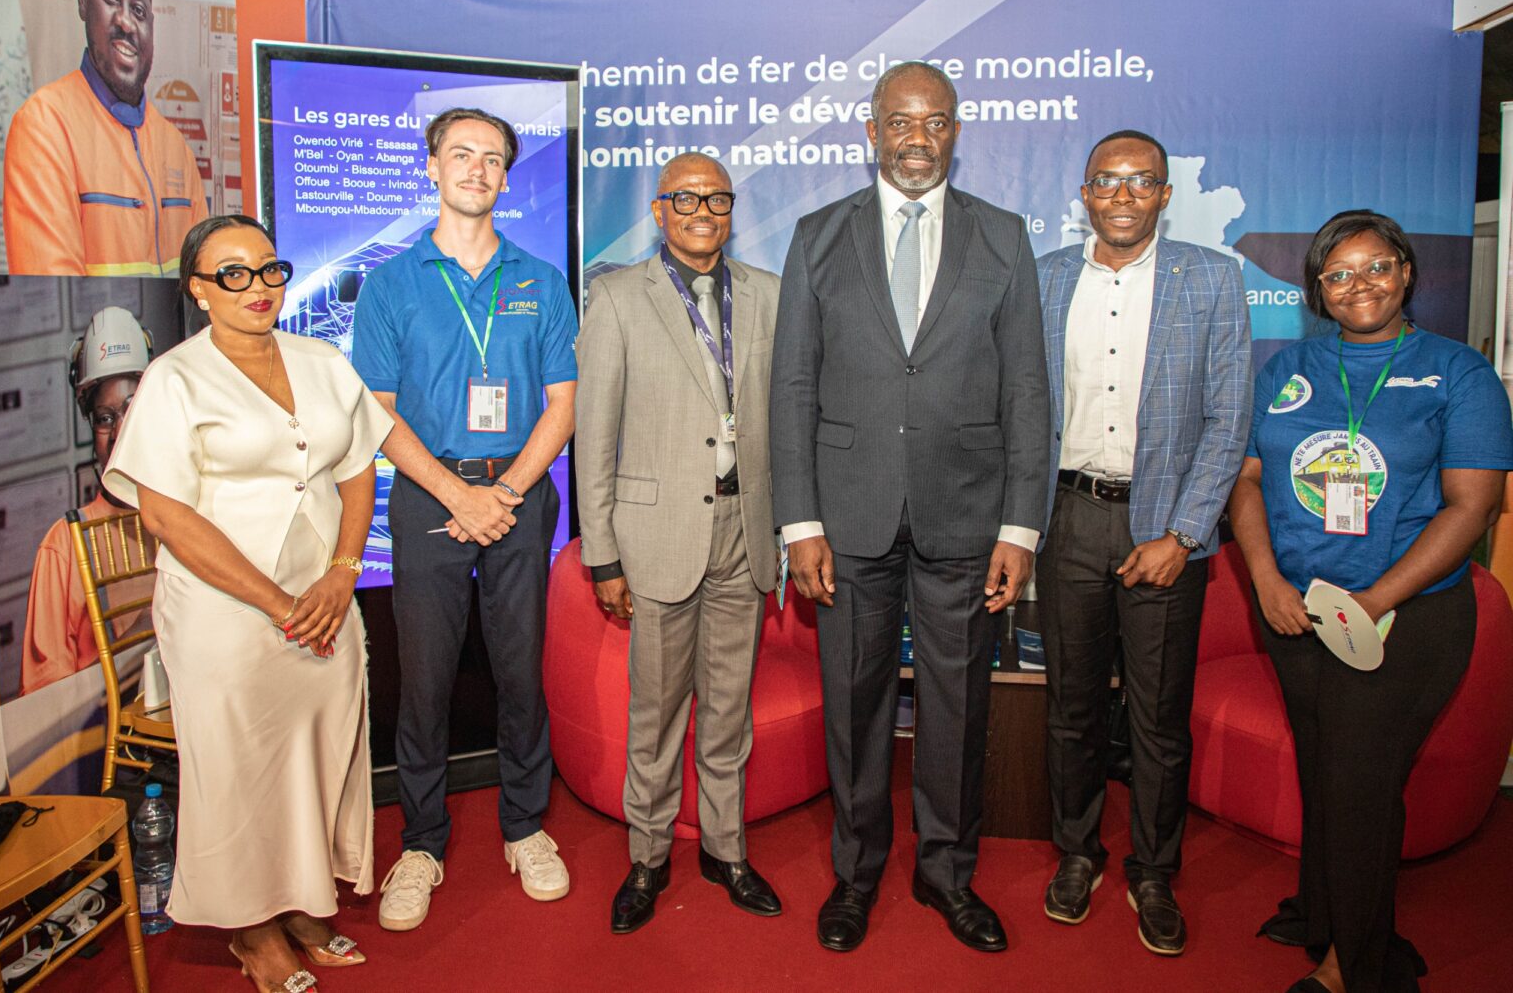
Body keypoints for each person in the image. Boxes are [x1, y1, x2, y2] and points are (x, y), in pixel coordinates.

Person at [770, 61, 1050, 953]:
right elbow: (793, 385)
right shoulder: (818, 235)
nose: (916, 137)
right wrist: (800, 521)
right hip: (847, 516)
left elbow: (1028, 390)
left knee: (958, 705)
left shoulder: (1002, 237)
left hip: (967, 514)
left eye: (934, 121)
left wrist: (1020, 526)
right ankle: (855, 873)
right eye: (900, 121)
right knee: (854, 704)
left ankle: (947, 873)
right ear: (872, 131)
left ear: (955, 132)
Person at [102, 214, 392, 993]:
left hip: (324, 598)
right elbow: (166, 517)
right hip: (224, 610)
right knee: (238, 770)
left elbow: (358, 467)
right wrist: (276, 601)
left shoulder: (321, 359)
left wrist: (343, 571)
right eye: (232, 273)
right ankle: (253, 930)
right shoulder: (174, 379)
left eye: (268, 269)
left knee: (319, 753)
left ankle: (303, 902)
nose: (256, 287)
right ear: (198, 289)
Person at [1230, 210, 1513, 993]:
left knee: (1359, 786)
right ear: (1318, 288)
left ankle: (1352, 965)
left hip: (1404, 617)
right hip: (1295, 608)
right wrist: (1265, 578)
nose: (1360, 284)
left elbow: (1473, 507)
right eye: (1340, 273)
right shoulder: (1288, 368)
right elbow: (1246, 479)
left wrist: (1372, 600)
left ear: (1406, 272)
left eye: (1377, 266)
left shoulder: (1459, 372)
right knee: (1326, 767)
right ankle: (1323, 911)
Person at [352, 107, 578, 931]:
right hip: (427, 499)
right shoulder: (392, 282)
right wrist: (457, 495)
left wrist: (504, 491)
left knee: (521, 670)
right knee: (424, 680)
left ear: (506, 177)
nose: (476, 169)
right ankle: (421, 843)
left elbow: (563, 405)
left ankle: (525, 825)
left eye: (491, 158)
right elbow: (376, 411)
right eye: (461, 154)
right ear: (432, 167)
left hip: (519, 494)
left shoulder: (539, 279)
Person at [1034, 130, 1252, 955]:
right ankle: (1077, 852)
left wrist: (1185, 532)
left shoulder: (1212, 277)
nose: (1122, 195)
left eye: (1140, 181)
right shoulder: (1046, 277)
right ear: (1084, 194)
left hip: (1165, 524)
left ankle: (1154, 870)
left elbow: (1229, 420)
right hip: (1067, 516)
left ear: (1164, 193)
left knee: (1158, 715)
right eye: (1107, 180)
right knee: (1072, 706)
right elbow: (1023, 404)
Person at [575, 153, 782, 934]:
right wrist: (603, 554)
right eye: (686, 199)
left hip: (743, 529)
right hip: (655, 537)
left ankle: (725, 849)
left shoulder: (769, 294)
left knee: (729, 709)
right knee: (657, 712)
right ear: (660, 210)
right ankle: (649, 856)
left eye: (717, 199)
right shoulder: (617, 296)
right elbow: (594, 435)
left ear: (731, 210)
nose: (703, 211)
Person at [3, 0, 207, 277]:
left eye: (138, 10)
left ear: (152, 26)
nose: (126, 22)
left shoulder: (176, 149)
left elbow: (205, 282)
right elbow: (53, 287)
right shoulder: (44, 126)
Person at [21, 305, 155, 695]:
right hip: (112, 730)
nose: (118, 431)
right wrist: (137, 639)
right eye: (105, 418)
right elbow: (48, 700)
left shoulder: (187, 514)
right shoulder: (65, 545)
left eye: (132, 409)